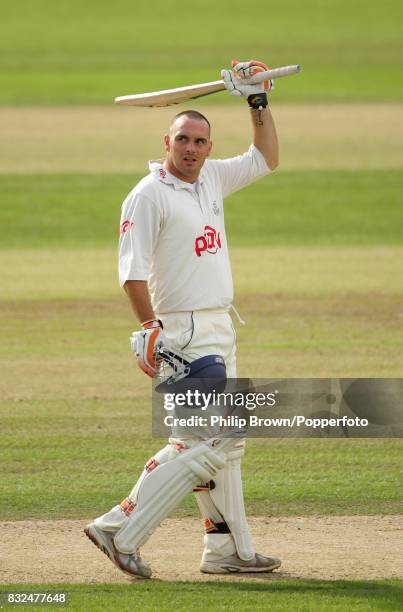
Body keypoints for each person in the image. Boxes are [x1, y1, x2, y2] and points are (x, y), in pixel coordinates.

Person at [85, 60, 281, 578]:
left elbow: (265, 159)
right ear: (166, 142)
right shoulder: (147, 196)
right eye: (182, 139)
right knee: (203, 442)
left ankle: (227, 551)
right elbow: (131, 273)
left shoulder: (212, 178)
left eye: (199, 140)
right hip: (183, 333)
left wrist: (256, 101)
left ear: (209, 148)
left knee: (228, 440)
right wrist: (151, 328)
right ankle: (119, 528)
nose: (190, 148)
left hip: (220, 325)